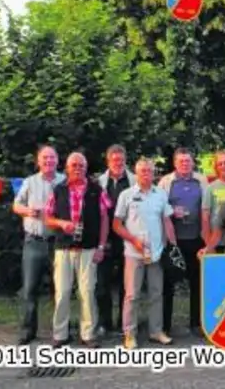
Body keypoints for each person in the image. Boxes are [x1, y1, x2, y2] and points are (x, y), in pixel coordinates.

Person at [44, 151, 111, 347]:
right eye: (74, 165)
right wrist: (61, 223)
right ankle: (60, 334)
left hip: (89, 249)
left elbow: (105, 219)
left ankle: (88, 334)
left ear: (86, 167)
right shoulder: (58, 189)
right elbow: (47, 218)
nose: (78, 168)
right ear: (67, 168)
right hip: (63, 249)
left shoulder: (97, 190)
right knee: (62, 292)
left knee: (87, 292)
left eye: (81, 165)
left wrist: (101, 246)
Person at [114, 157, 177, 349]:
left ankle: (156, 331)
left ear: (153, 173)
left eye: (149, 171)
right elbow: (116, 224)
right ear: (136, 173)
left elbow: (167, 221)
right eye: (143, 171)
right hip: (133, 254)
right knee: (132, 295)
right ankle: (129, 334)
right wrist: (133, 240)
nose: (146, 174)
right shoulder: (126, 195)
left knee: (156, 294)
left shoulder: (160, 194)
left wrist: (173, 246)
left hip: (156, 253)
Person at [10, 145, 64, 345]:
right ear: (38, 161)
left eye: (52, 157)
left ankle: (60, 331)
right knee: (30, 288)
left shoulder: (65, 181)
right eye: (45, 157)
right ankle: (28, 331)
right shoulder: (30, 182)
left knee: (61, 289)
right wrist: (28, 211)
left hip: (58, 243)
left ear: (57, 160)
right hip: (34, 241)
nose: (49, 161)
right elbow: (16, 205)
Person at [158, 148, 206, 336]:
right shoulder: (166, 181)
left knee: (197, 283)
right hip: (173, 241)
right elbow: (159, 206)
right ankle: (165, 325)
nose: (185, 164)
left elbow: (207, 207)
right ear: (175, 163)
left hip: (196, 238)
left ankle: (196, 323)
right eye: (181, 161)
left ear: (193, 162)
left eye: (188, 161)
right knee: (168, 284)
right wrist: (172, 211)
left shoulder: (201, 181)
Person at [93, 144, 133, 341]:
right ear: (108, 161)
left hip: (128, 238)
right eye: (114, 160)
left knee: (127, 285)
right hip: (105, 239)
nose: (118, 163)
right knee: (102, 284)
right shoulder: (98, 182)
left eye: (121, 160)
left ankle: (124, 323)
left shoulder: (134, 181)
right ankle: (104, 322)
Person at [201, 150, 225, 249]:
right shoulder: (210, 188)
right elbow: (205, 218)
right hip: (218, 242)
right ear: (216, 168)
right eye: (220, 164)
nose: (223, 166)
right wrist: (208, 244)